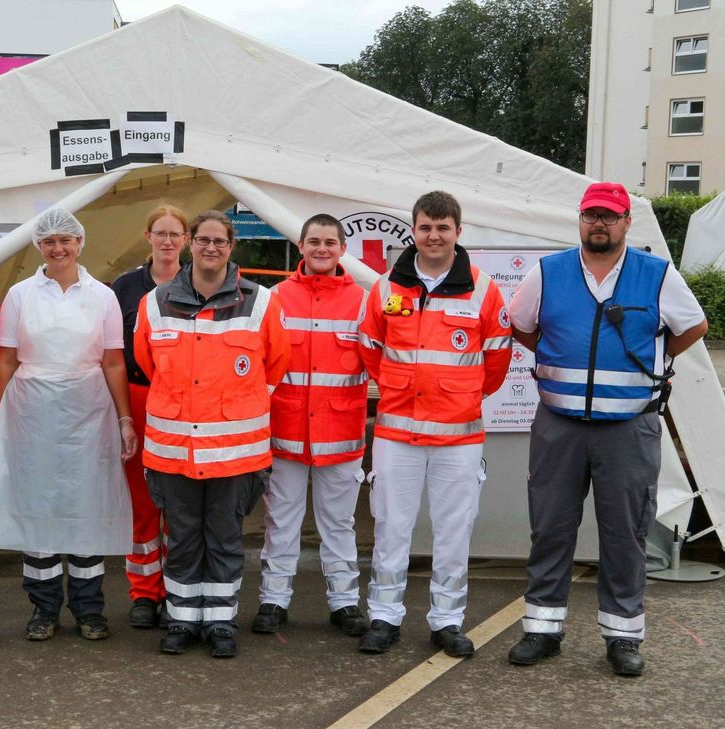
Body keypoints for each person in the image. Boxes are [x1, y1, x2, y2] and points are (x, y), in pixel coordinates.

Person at [507, 182, 707, 676]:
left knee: (626, 532)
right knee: (550, 527)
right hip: (559, 425)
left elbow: (694, 326)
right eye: (591, 215)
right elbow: (520, 325)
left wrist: (650, 366)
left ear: (625, 223)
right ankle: (543, 629)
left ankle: (623, 637)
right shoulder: (547, 272)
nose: (599, 223)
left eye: (609, 216)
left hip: (629, 427)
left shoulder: (656, 274)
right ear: (580, 219)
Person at [0, 207, 135, 642]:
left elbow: (114, 361)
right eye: (48, 241)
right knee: (37, 509)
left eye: (65, 240)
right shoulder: (21, 294)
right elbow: (5, 358)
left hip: (89, 411)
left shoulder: (102, 296)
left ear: (80, 243)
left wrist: (125, 418)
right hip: (31, 411)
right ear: (39, 246)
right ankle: (43, 609)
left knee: (85, 508)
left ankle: (88, 609)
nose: (57, 248)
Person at [357, 191, 511, 657]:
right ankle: (384, 615)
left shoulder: (483, 289)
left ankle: (447, 620)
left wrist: (461, 396)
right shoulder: (385, 287)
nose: (434, 235)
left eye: (443, 228)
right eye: (425, 227)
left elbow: (499, 357)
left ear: (458, 233)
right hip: (397, 433)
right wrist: (400, 385)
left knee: (453, 529)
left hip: (458, 437)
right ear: (414, 231)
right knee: (390, 527)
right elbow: (369, 346)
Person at [135, 209, 289, 658]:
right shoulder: (155, 302)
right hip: (173, 450)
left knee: (224, 537)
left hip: (235, 453)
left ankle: (221, 622)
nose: (211, 248)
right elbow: (149, 363)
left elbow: (275, 364)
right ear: (190, 244)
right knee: (181, 537)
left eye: (220, 241)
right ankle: (183, 621)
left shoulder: (260, 302)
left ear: (231, 247)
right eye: (203, 239)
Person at [252, 213, 372, 638]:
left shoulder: (363, 301)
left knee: (338, 523)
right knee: (280, 520)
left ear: (343, 250)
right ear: (300, 247)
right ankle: (273, 600)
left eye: (330, 242)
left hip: (339, 435)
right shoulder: (273, 298)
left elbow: (376, 364)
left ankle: (344, 603)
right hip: (284, 432)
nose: (322, 249)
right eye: (314, 241)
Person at [110, 205, 188, 629]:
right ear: (148, 236)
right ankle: (143, 591)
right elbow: (112, 357)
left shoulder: (198, 285)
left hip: (183, 402)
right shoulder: (125, 287)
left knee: (178, 503)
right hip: (138, 398)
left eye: (175, 234)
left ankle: (178, 587)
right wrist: (122, 414)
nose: (168, 241)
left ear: (186, 240)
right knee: (142, 504)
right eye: (161, 233)